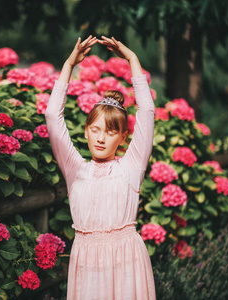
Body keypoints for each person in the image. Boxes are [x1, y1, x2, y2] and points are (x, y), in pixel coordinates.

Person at [45, 35, 156, 299]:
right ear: (86, 132)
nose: (101, 137)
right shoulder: (75, 170)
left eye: (109, 131)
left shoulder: (131, 166)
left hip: (127, 264)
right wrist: (68, 66)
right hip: (87, 268)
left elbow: (147, 113)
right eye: (94, 130)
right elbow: (52, 116)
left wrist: (132, 59)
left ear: (122, 138)